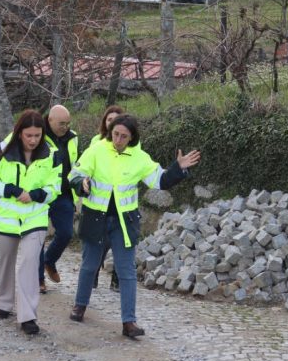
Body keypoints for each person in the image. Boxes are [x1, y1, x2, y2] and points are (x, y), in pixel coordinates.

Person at [68, 114, 200, 338]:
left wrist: (177, 168)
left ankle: (129, 322)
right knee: (89, 266)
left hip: (124, 222)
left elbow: (160, 180)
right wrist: (82, 183)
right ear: (110, 132)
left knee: (126, 271)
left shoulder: (139, 157)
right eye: (115, 134)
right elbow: (76, 174)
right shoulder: (96, 150)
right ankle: (80, 305)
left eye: (124, 136)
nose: (118, 140)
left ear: (132, 137)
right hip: (95, 218)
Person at [0, 109, 61, 335]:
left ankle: (28, 316)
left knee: (29, 262)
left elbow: (55, 187)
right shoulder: (1, 150)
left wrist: (37, 194)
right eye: (29, 135)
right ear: (19, 133)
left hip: (35, 217)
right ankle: (4, 302)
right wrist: (9, 189)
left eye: (37, 135)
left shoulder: (52, 154)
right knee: (6, 261)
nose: (33, 140)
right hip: (5, 219)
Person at [38, 105, 79, 294]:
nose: (66, 127)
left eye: (68, 123)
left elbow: (76, 164)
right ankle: (38, 279)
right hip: (41, 194)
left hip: (63, 194)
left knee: (66, 233)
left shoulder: (73, 137)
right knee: (38, 236)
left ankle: (49, 260)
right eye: (62, 123)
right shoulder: (38, 135)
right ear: (50, 120)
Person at [91, 104, 127, 290]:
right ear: (105, 122)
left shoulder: (131, 145)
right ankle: (94, 271)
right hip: (102, 201)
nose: (112, 123)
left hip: (123, 201)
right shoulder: (96, 142)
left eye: (116, 120)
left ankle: (117, 280)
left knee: (122, 243)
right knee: (103, 241)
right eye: (109, 119)